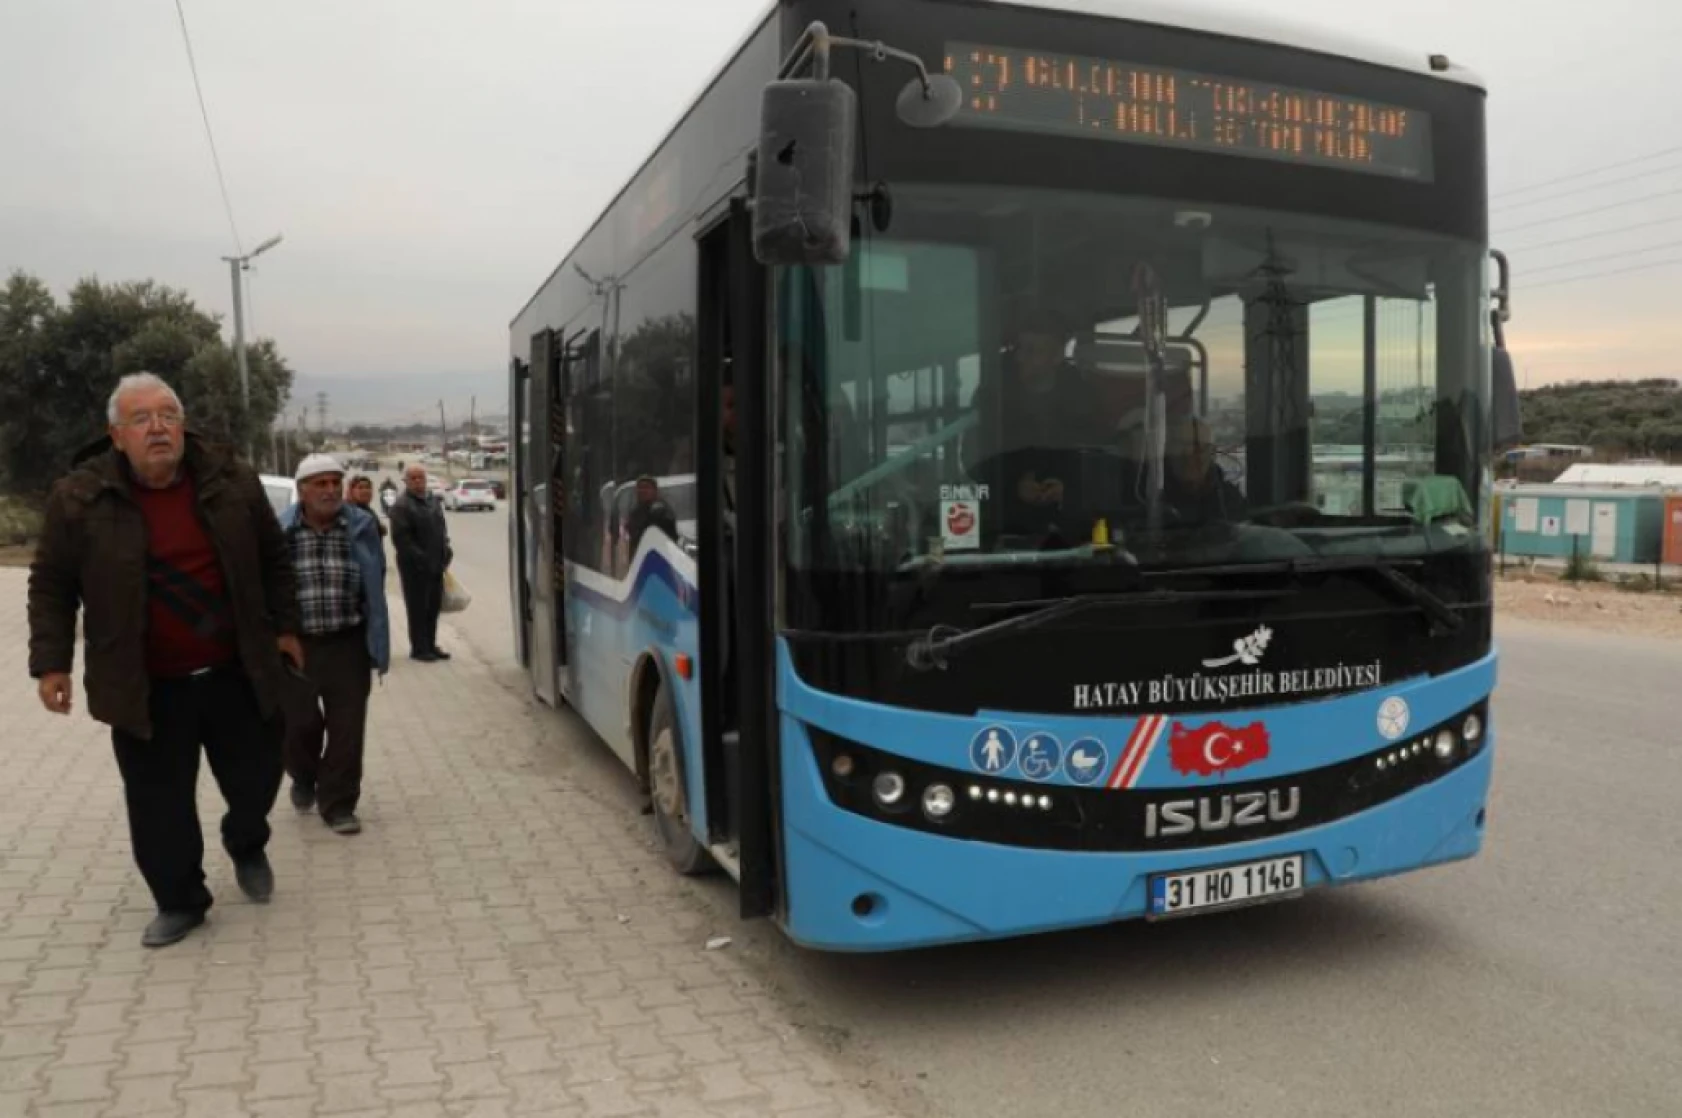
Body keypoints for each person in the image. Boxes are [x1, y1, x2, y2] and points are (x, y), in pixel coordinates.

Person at [27, 373, 302, 948]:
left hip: (237, 670)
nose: (158, 428)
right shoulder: (80, 498)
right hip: (145, 684)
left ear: (183, 424)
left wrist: (287, 629)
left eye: (168, 415)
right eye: (141, 419)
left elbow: (274, 558)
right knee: (159, 803)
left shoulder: (231, 481)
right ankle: (180, 901)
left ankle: (245, 840)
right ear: (116, 434)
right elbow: (51, 585)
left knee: (258, 776)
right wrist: (51, 664)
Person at [278, 456, 391, 835]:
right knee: (298, 726)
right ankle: (303, 775)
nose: (329, 491)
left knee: (347, 730)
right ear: (302, 490)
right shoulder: (280, 530)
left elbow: (376, 581)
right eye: (320, 483)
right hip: (297, 646)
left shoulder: (361, 526)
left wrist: (378, 638)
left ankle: (339, 804)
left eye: (334, 483)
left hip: (348, 642)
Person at [962, 307, 1097, 535]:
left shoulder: (1082, 397)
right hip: (1005, 526)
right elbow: (972, 456)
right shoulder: (993, 394)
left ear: (1057, 357)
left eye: (1032, 350)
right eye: (1020, 348)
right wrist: (1014, 484)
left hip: (1072, 530)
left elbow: (1098, 458)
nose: (1020, 358)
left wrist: (1068, 488)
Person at [388, 464, 453, 662]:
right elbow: (402, 540)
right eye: (413, 478)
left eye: (420, 478)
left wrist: (446, 550)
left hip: (436, 565)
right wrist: (422, 559)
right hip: (415, 569)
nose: (418, 481)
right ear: (406, 481)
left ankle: (431, 644)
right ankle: (419, 648)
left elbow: (441, 528)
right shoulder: (402, 506)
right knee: (417, 608)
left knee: (433, 607)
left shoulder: (432, 501)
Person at [625, 475, 678, 556]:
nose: (642, 491)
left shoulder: (662, 509)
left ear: (655, 490)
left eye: (646, 487)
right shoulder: (635, 511)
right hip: (639, 555)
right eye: (640, 488)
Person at [346, 474, 388, 539]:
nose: (365, 491)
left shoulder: (369, 511)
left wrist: (380, 529)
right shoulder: (350, 512)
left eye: (368, 487)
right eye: (360, 488)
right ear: (352, 491)